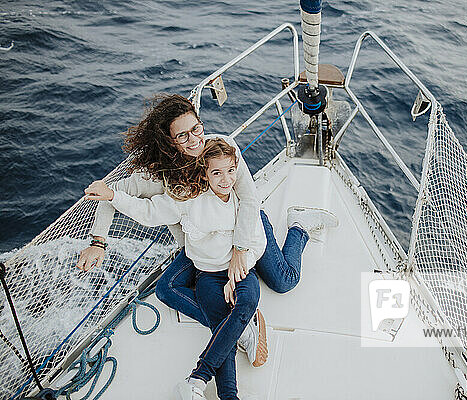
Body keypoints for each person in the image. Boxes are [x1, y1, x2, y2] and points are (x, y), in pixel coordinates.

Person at [78, 94, 338, 397]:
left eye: (197, 128)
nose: (194, 140)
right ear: (170, 141)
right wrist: (98, 242)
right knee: (166, 290)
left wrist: (240, 251)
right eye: (183, 136)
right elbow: (110, 194)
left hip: (246, 226)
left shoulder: (220, 149)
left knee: (284, 282)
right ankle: (237, 329)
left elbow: (250, 200)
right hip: (202, 242)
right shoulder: (162, 178)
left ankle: (299, 226)